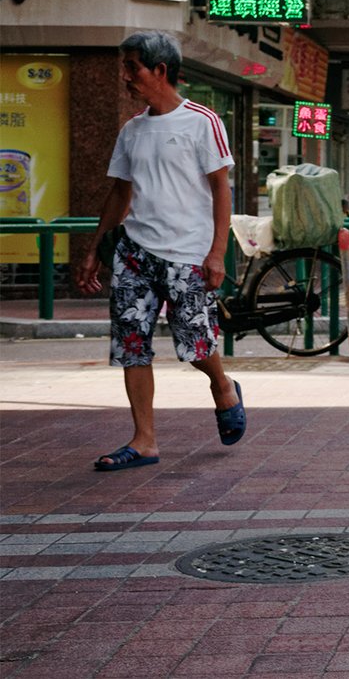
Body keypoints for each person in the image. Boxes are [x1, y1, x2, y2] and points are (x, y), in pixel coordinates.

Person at [71, 32, 245, 471]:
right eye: (124, 68)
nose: (126, 77)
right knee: (132, 345)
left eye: (133, 68)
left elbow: (221, 190)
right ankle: (144, 441)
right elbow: (119, 193)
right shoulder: (132, 129)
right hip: (134, 252)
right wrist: (94, 249)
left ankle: (223, 386)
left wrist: (217, 252)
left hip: (187, 253)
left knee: (195, 344)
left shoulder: (202, 121)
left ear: (160, 71)